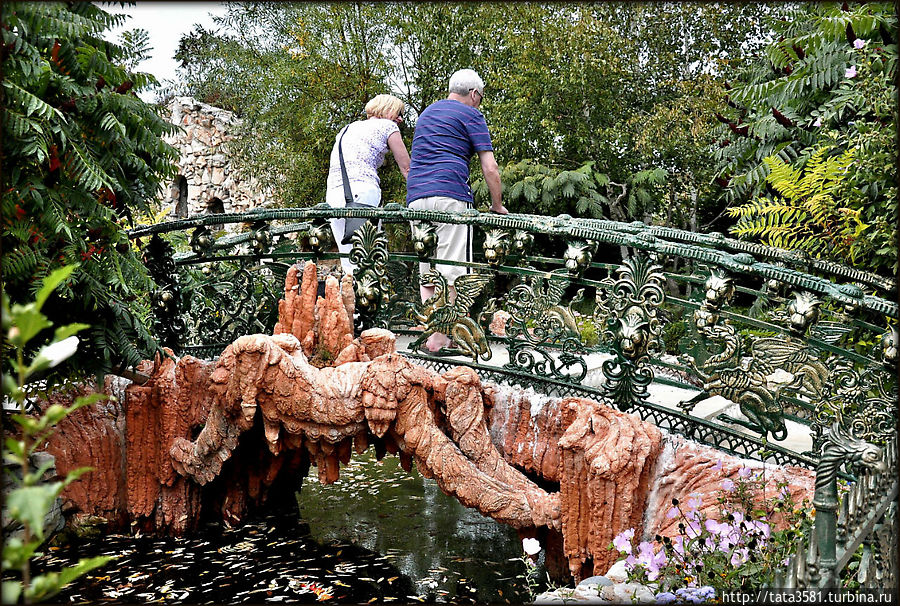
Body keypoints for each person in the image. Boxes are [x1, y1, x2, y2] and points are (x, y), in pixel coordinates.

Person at [406, 69, 507, 352]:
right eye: (481, 98)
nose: (480, 103)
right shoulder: (471, 115)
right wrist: (497, 205)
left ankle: (431, 331)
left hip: (416, 198)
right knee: (452, 268)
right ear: (474, 94)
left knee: (427, 267)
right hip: (449, 195)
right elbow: (490, 167)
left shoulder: (425, 114)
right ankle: (442, 337)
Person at [326, 94, 410, 275]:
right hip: (362, 192)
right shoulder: (388, 126)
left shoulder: (347, 128)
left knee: (348, 261)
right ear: (386, 110)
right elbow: (407, 169)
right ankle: (367, 301)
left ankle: (349, 300)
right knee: (367, 259)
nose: (400, 119)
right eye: (398, 113)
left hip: (334, 195)